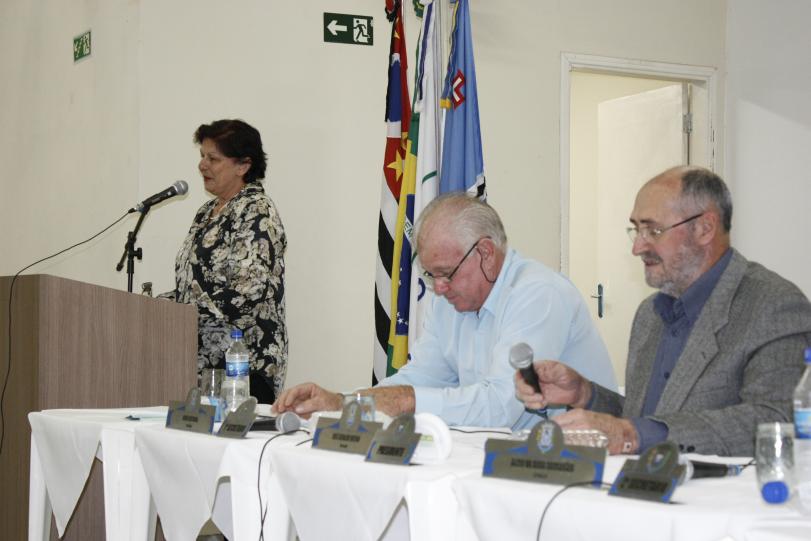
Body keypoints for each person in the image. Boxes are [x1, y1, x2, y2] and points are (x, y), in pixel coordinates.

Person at [515, 166, 811, 456]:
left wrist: (630, 434)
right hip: (642, 483)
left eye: (653, 230)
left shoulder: (772, 305)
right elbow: (647, 420)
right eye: (636, 229)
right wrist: (584, 395)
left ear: (705, 228)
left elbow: (775, 420)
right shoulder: (650, 314)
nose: (637, 247)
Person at [274, 193, 616, 429]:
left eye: (446, 273)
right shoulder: (450, 301)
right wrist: (342, 403)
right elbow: (418, 378)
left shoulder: (537, 294)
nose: (438, 288)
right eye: (430, 275)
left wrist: (407, 401)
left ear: (485, 253)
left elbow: (501, 407)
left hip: (579, 465)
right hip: (505, 460)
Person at [161, 119, 287, 404]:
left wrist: (183, 312)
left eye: (213, 158)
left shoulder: (256, 210)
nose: (202, 165)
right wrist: (156, 307)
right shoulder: (207, 212)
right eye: (202, 156)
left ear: (243, 166)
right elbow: (193, 286)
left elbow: (247, 292)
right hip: (201, 366)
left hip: (244, 366)